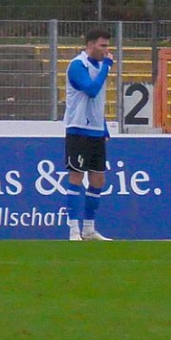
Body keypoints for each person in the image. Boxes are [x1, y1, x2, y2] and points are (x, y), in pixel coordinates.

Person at [60, 29, 116, 241]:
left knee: (98, 178)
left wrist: (103, 126)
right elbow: (91, 90)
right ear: (90, 45)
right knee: (76, 176)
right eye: (103, 46)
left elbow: (97, 102)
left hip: (95, 131)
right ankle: (74, 230)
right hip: (78, 129)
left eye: (107, 46)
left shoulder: (100, 66)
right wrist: (107, 67)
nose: (106, 50)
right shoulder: (78, 65)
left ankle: (89, 229)